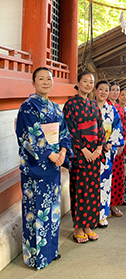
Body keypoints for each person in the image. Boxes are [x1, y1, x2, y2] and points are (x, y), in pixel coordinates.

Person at [16, 67, 73, 269]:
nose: (46, 82)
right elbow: (31, 135)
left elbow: (65, 133)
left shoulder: (56, 108)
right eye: (41, 79)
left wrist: (63, 153)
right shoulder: (28, 107)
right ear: (33, 83)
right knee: (36, 210)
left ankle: (50, 250)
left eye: (49, 79)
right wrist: (51, 154)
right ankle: (36, 257)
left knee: (52, 210)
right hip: (36, 168)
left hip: (54, 166)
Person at [63, 72, 106, 243]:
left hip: (94, 153)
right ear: (78, 83)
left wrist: (99, 147)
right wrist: (83, 149)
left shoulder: (94, 106)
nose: (88, 85)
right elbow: (70, 129)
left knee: (92, 190)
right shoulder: (70, 105)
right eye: (85, 81)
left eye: (91, 82)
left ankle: (88, 225)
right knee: (79, 190)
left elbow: (100, 128)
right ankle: (78, 227)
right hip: (81, 155)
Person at [94, 80, 123, 227]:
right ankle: (91, 216)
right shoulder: (89, 108)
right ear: (95, 91)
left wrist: (110, 143)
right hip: (91, 152)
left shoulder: (111, 110)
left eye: (107, 90)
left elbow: (117, 128)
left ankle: (103, 215)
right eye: (101, 89)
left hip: (106, 151)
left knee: (105, 183)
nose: (104, 92)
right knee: (91, 184)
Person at [107, 82, 126, 216]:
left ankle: (114, 204)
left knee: (117, 176)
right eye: (112, 90)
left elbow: (124, 127)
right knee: (105, 177)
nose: (115, 92)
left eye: (117, 90)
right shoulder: (104, 107)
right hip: (107, 146)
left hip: (120, 148)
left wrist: (123, 142)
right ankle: (105, 205)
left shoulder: (120, 108)